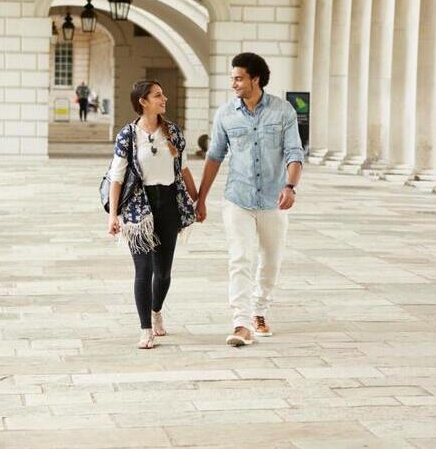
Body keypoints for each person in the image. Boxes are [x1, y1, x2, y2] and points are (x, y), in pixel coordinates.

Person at [196, 52, 304, 347]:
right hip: (237, 199)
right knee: (240, 258)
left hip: (273, 200)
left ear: (255, 79)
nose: (233, 84)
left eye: (239, 78)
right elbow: (214, 156)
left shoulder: (283, 111)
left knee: (271, 260)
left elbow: (294, 152)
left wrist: (290, 186)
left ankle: (259, 310)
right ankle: (241, 323)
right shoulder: (226, 114)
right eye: (232, 78)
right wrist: (201, 199)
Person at [107, 80, 198, 349]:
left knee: (164, 273)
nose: (164, 98)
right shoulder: (127, 135)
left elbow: (184, 169)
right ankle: (145, 328)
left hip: (168, 205)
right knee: (143, 270)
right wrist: (113, 215)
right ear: (143, 102)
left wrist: (198, 201)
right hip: (138, 209)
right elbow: (116, 177)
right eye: (158, 95)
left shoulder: (173, 133)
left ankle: (156, 310)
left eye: (162, 94)